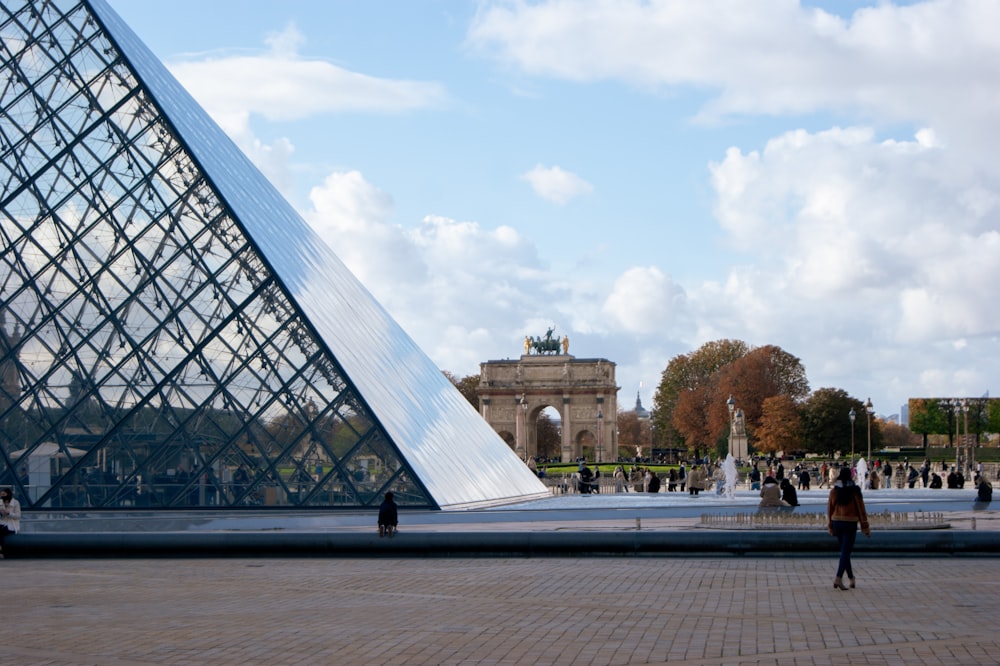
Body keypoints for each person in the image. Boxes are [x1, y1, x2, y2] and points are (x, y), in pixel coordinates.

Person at [827, 467, 871, 590]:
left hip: (837, 522)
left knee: (844, 551)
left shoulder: (834, 491)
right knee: (846, 551)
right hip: (850, 523)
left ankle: (851, 578)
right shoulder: (854, 491)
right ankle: (838, 578)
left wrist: (830, 525)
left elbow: (829, 509)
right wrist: (865, 527)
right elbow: (861, 509)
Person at [0, 487, 21, 557]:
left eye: (4, 494)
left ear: (8, 494)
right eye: (1, 494)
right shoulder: (0, 502)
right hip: (2, 523)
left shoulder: (15, 503)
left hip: (11, 525)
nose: (2, 496)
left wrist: (8, 513)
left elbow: (18, 516)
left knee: (1, 532)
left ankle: (3, 550)